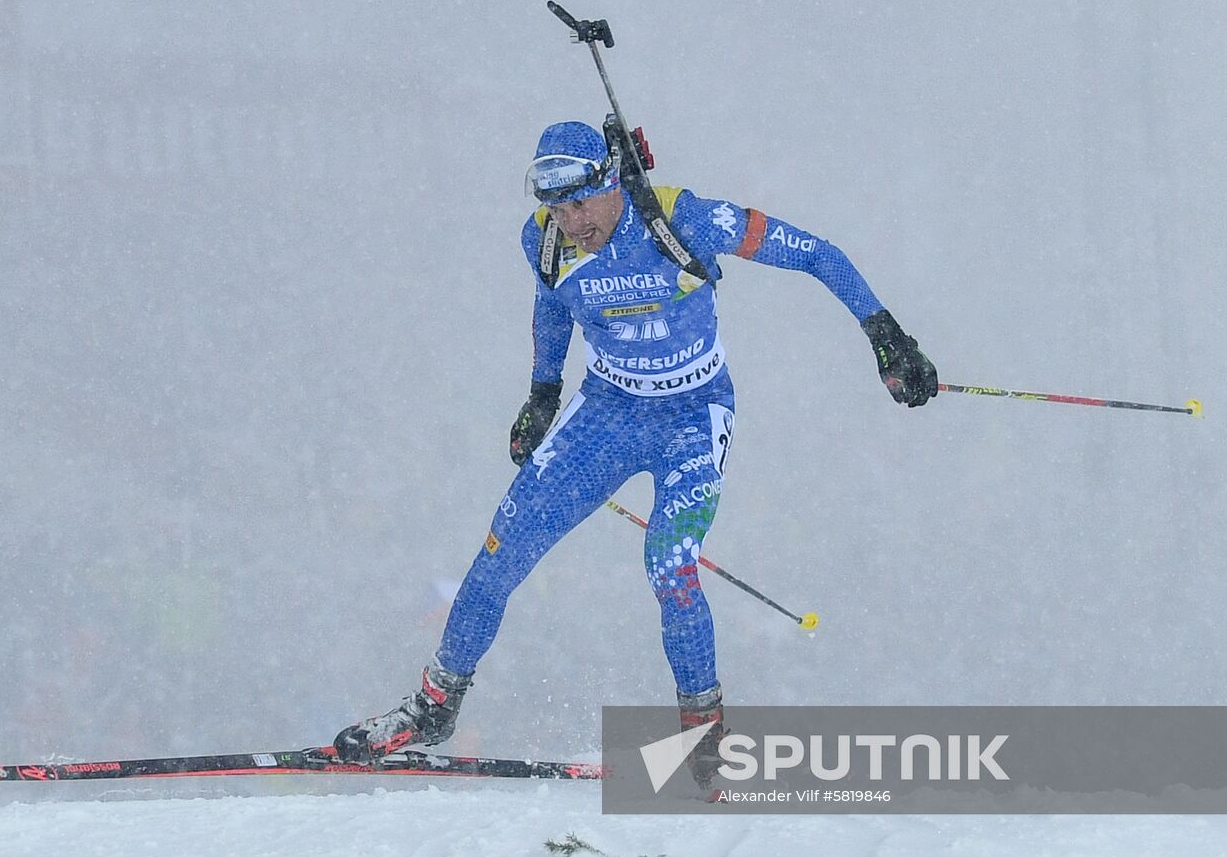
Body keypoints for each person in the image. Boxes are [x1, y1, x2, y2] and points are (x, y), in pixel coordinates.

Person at [333, 120, 936, 769]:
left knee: (670, 565)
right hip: (606, 414)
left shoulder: (681, 220)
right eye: (556, 207)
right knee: (498, 554)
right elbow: (552, 308)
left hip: (692, 415)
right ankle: (434, 706)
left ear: (611, 181)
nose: (571, 222)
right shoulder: (543, 241)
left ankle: (704, 735)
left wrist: (885, 334)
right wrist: (541, 395)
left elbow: (816, 252)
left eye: (581, 203)